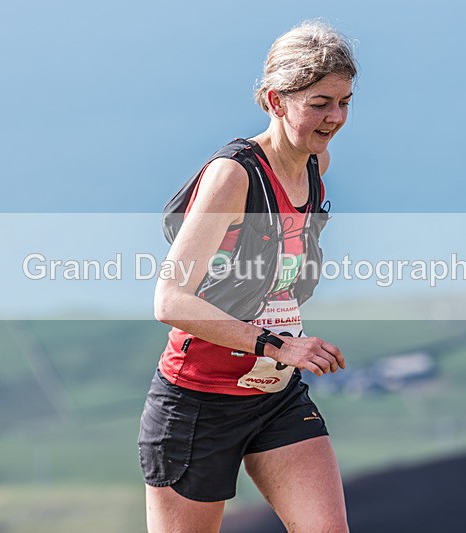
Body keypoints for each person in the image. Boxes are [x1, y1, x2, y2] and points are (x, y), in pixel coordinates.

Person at [139, 19, 357, 532]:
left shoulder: (314, 163)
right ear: (275, 100)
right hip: (196, 403)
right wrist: (280, 345)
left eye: (345, 101)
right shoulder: (233, 176)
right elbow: (169, 300)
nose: (335, 117)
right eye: (319, 103)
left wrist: (281, 352)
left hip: (274, 396)